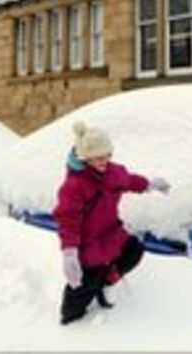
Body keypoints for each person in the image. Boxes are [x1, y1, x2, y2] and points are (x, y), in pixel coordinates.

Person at [53, 121, 170, 325]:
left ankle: (108, 281)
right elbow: (68, 219)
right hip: (88, 244)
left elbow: (130, 181)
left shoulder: (113, 172)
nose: (104, 161)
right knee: (85, 284)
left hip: (112, 233)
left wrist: (149, 184)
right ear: (84, 157)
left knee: (134, 251)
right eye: (98, 157)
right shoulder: (74, 186)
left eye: (108, 155)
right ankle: (71, 320)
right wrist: (69, 252)